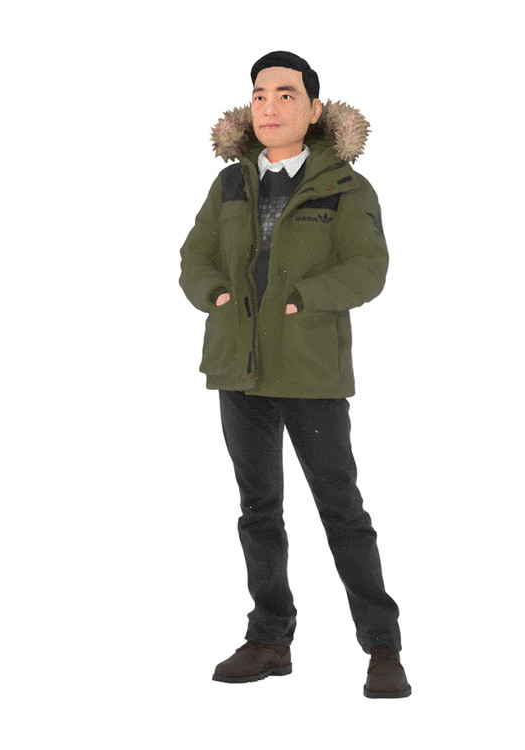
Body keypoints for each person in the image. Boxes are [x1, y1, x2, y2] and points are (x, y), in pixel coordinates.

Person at [179, 51, 410, 699]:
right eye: (259, 95)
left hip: (310, 370)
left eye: (286, 94)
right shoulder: (229, 184)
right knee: (258, 509)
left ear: (313, 110)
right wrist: (216, 295)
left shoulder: (344, 187)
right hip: (238, 369)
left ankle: (382, 646)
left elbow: (367, 269)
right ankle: (269, 639)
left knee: (341, 509)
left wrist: (303, 298)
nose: (270, 106)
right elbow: (194, 256)